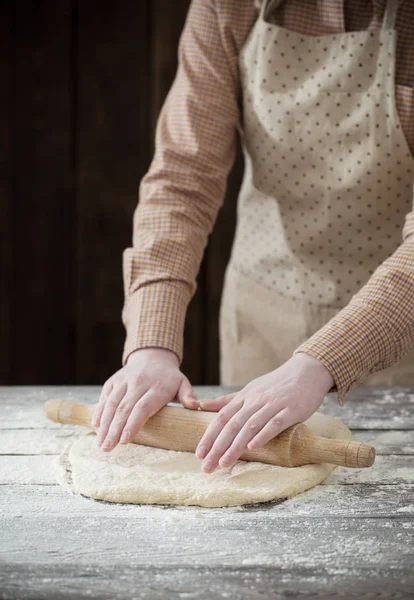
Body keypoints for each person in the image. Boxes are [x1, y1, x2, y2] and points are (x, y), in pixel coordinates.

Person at [92, 0, 414, 474]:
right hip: (262, 322)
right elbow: (184, 176)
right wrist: (151, 344)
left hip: (403, 330)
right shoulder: (229, 5)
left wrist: (319, 364)